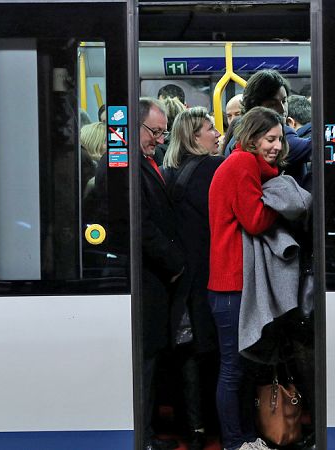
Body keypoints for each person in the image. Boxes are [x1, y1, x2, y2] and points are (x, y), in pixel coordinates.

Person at [208, 106, 290, 450]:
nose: (277, 146)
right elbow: (255, 220)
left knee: (237, 368)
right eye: (270, 138)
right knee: (232, 370)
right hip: (231, 284)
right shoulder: (243, 164)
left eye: (281, 139)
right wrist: (282, 200)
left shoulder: (245, 164)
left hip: (229, 284)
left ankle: (242, 438)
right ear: (253, 138)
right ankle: (234, 442)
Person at [160, 106, 224, 450]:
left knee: (187, 349)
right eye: (210, 129)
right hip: (209, 276)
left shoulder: (172, 173)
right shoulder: (213, 169)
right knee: (211, 352)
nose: (217, 133)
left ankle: (193, 427)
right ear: (193, 137)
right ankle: (208, 425)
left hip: (183, 279)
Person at [138, 98, 187, 450]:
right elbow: (142, 227)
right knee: (145, 362)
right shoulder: (125, 168)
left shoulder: (146, 163)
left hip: (156, 277)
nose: (159, 138)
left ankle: (149, 431)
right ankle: (144, 436)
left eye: (162, 131)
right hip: (148, 276)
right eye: (154, 131)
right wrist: (176, 262)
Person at [225, 70, 311, 187]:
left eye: (284, 101)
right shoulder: (273, 134)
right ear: (255, 106)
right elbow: (315, 147)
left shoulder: (239, 131)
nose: (282, 109)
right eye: (272, 104)